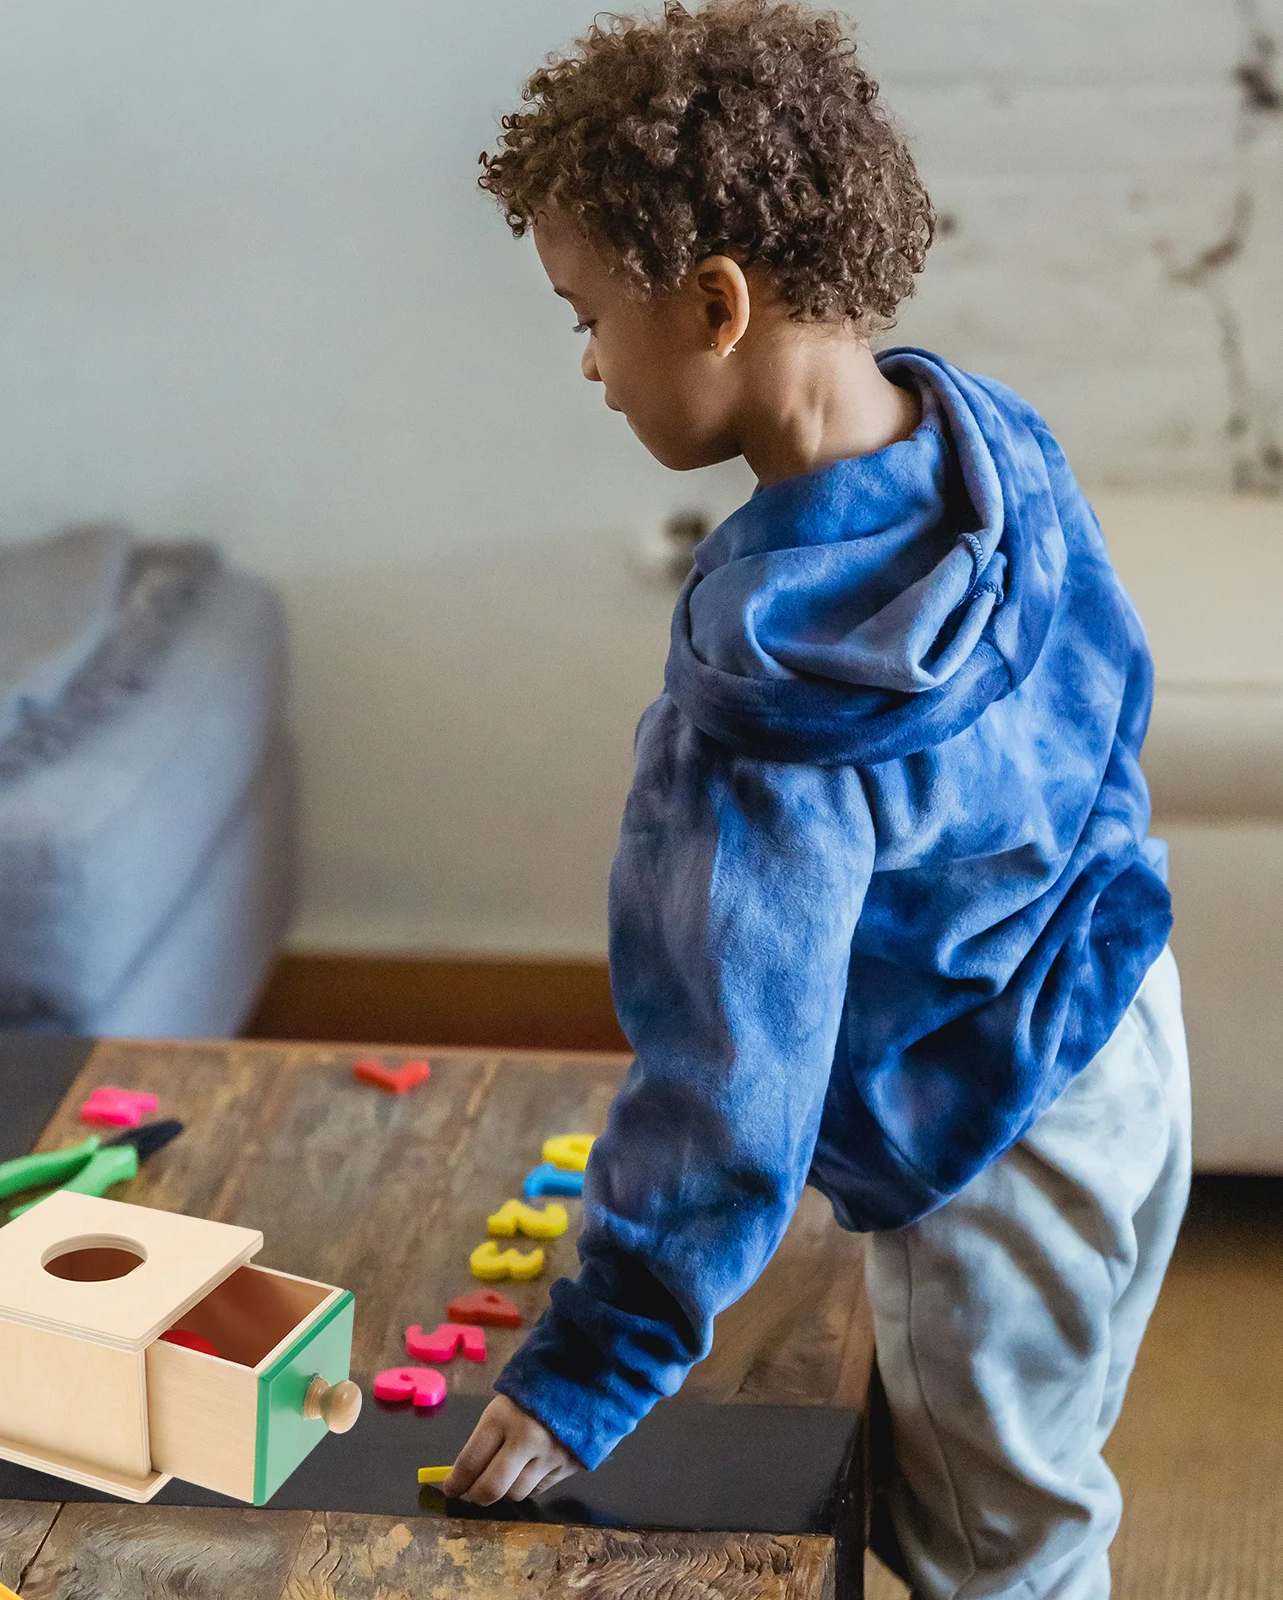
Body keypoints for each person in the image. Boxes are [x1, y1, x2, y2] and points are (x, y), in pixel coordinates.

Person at [442, 5, 1191, 1596]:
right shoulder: (1000, 449)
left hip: (978, 1151)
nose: (586, 363)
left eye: (587, 316)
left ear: (714, 304)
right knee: (1056, 1456)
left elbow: (730, 1090)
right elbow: (1116, 710)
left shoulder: (760, 709)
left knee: (1000, 1548)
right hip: (1132, 1034)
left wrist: (590, 1369)